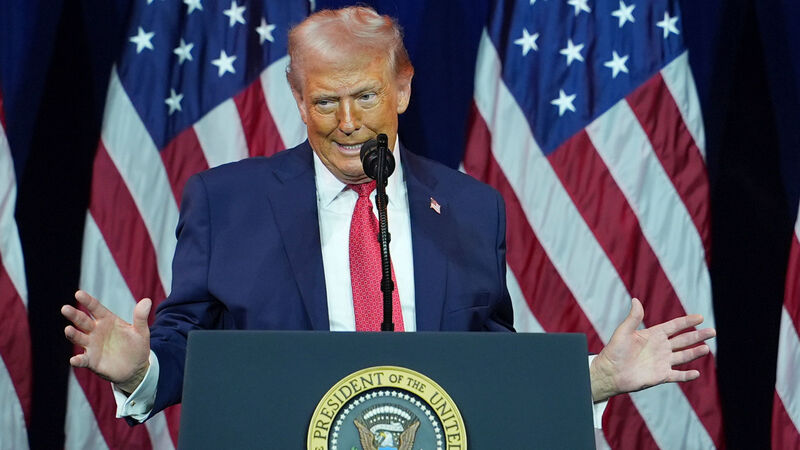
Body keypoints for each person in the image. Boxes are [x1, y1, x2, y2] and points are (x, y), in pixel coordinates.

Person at [61, 6, 715, 426]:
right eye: (325, 102)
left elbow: (492, 367)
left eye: (366, 96)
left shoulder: (471, 208)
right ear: (298, 99)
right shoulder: (225, 203)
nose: (347, 123)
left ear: (402, 88)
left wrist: (598, 376)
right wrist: (141, 369)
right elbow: (188, 348)